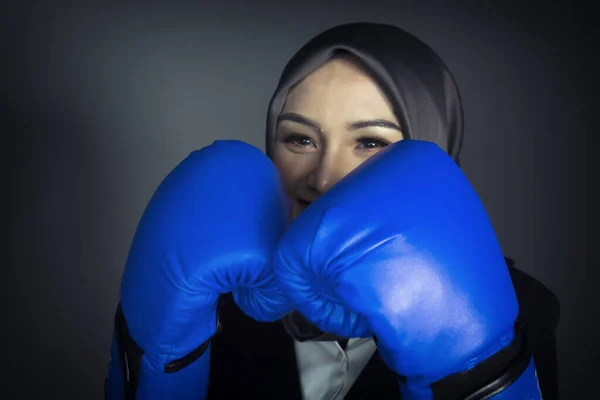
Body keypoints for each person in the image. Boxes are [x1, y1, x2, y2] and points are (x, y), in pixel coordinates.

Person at [105, 23, 560, 399]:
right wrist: (157, 359)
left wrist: (479, 372)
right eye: (301, 139)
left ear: (433, 150)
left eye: (371, 142)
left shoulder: (514, 311)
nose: (322, 178)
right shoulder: (208, 298)